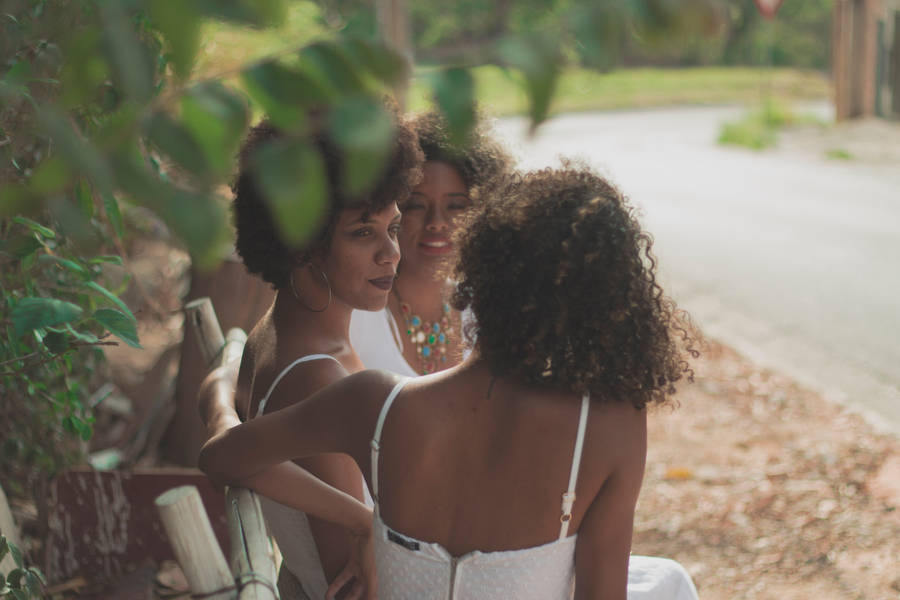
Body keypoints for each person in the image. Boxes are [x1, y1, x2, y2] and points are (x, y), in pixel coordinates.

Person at [200, 164, 700, 600]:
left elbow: (219, 456)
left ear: (479, 269)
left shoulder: (374, 401)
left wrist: (222, 393)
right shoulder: (612, 427)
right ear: (610, 303)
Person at [225, 110, 422, 599]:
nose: (391, 253)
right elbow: (351, 584)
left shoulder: (271, 332)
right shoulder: (318, 377)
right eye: (362, 233)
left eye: (393, 228)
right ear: (302, 243)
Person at [349, 111, 511, 375]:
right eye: (416, 205)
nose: (437, 222)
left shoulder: (490, 313)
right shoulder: (354, 319)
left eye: (456, 206)